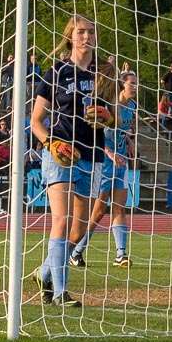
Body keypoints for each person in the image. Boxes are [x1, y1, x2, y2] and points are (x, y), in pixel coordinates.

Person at [31, 15, 108, 308]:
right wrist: (50, 143)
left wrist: (105, 117)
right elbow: (36, 121)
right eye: (80, 32)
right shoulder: (57, 72)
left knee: (79, 228)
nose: (86, 36)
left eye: (90, 32)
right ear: (70, 37)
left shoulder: (104, 73)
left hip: (92, 154)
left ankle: (46, 273)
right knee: (61, 220)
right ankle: (61, 292)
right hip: (60, 154)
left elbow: (111, 117)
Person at [69, 70, 137, 268]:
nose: (135, 87)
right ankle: (76, 252)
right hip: (105, 162)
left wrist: (129, 140)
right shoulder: (109, 105)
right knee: (98, 211)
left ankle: (120, 255)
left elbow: (122, 130)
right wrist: (109, 153)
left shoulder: (132, 106)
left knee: (120, 207)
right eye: (131, 83)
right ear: (121, 85)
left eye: (136, 83)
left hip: (121, 162)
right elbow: (97, 134)